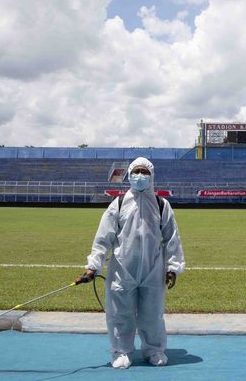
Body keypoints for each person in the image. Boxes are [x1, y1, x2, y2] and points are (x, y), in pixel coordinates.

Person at [78, 157, 185, 369]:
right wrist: (93, 266)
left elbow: (172, 237)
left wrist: (173, 268)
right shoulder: (118, 204)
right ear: (129, 174)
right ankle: (121, 351)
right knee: (120, 314)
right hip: (122, 270)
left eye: (144, 172)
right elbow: (103, 238)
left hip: (153, 269)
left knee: (152, 314)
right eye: (136, 171)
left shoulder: (161, 205)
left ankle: (154, 350)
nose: (140, 176)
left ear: (152, 175)